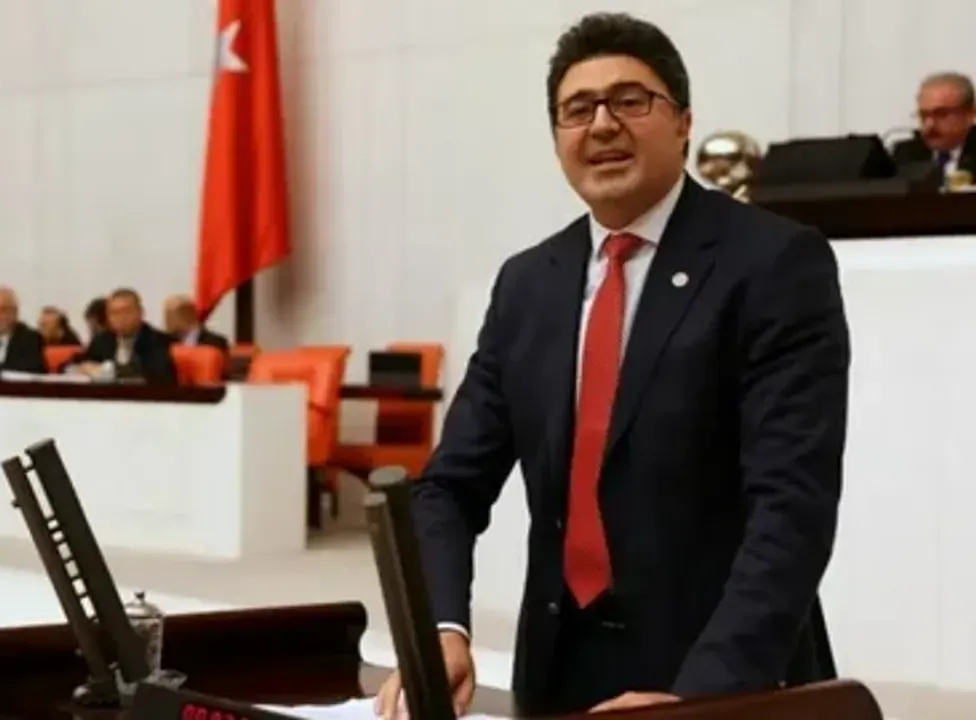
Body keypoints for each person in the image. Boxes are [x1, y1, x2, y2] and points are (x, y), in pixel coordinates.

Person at [375, 13, 850, 717]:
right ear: (557, 139)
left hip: (721, 676)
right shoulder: (528, 284)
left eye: (630, 100)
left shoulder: (773, 262)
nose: (602, 125)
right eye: (578, 109)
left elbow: (792, 508)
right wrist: (440, 630)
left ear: (684, 124)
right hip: (560, 671)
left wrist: (697, 699)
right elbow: (449, 487)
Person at [891, 72, 976, 182]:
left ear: (970, 115)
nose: (929, 125)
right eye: (923, 115)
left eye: (941, 114)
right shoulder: (906, 155)